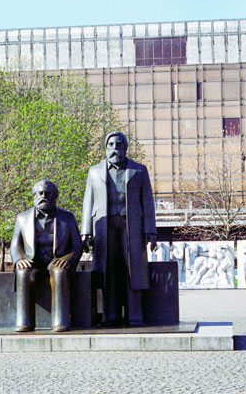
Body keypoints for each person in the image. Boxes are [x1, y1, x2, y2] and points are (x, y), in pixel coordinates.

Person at [81, 131, 157, 326]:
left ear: (125, 148)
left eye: (118, 145)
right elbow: (88, 201)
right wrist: (86, 231)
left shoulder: (139, 170)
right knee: (108, 271)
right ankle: (110, 316)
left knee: (133, 271)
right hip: (104, 228)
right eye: (111, 145)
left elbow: (148, 201)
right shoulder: (94, 171)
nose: (115, 149)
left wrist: (151, 230)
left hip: (132, 226)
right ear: (106, 148)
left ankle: (135, 315)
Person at [10, 180, 83, 332]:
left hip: (56, 259)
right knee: (23, 272)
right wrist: (19, 259)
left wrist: (67, 259)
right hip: (33, 261)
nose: (43, 196)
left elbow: (77, 246)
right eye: (40, 193)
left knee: (59, 271)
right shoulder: (22, 218)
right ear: (34, 196)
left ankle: (60, 321)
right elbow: (15, 245)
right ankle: (24, 321)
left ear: (55, 196)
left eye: (47, 193)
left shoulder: (67, 217)